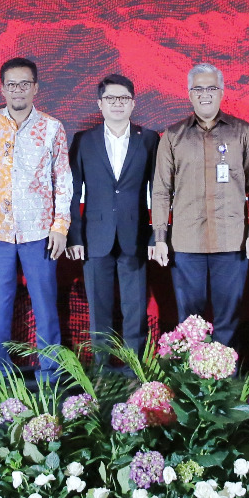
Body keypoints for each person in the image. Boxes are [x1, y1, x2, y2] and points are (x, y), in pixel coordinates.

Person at [0, 57, 72, 380]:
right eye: (12, 84)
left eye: (24, 84)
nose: (18, 90)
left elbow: (63, 180)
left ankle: (51, 372)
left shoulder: (52, 127)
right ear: (2, 88)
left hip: (40, 231)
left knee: (44, 306)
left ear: (36, 88)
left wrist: (61, 227)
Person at [151, 63, 249, 347]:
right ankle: (192, 386)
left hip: (232, 240)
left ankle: (228, 384)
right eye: (198, 88)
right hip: (187, 243)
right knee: (190, 323)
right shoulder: (173, 135)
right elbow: (161, 191)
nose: (205, 94)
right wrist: (160, 237)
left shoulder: (242, 132)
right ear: (189, 94)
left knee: (229, 320)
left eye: (211, 88)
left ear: (222, 92)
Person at [67, 74, 159, 355]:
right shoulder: (84, 140)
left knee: (135, 311)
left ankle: (135, 375)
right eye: (110, 98)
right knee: (99, 313)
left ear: (133, 103)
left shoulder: (150, 139)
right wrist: (75, 235)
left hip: (136, 235)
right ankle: (102, 376)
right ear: (100, 104)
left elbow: (159, 190)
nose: (117, 104)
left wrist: (157, 236)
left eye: (123, 98)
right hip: (95, 237)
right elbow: (71, 191)